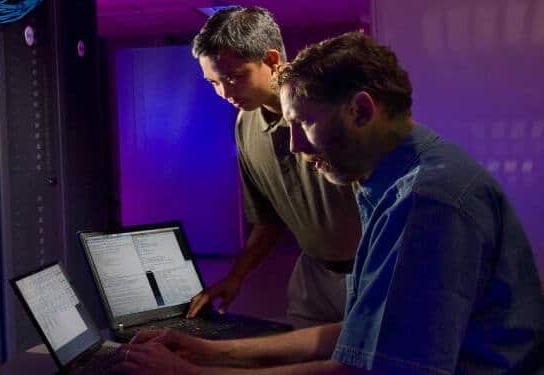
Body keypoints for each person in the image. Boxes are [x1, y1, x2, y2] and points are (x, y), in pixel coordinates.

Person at [114, 32, 544, 374]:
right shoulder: (393, 181)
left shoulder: (425, 200)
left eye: (302, 124)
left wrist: (192, 374)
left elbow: (369, 370)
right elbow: (360, 336)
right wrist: (208, 352)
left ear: (360, 110)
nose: (296, 145)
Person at [186, 6, 360, 328]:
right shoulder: (244, 126)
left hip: (373, 270)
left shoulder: (333, 107)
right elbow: (268, 220)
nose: (224, 93)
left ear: (271, 60)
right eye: (213, 82)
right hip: (313, 273)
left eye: (234, 77)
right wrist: (236, 277)